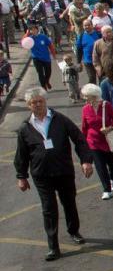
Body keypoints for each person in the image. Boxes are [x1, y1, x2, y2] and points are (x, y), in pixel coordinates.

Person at [14, 89, 94, 260]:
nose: (37, 104)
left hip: (63, 171)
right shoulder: (25, 127)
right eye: (33, 102)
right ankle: (53, 247)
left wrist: (86, 160)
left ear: (45, 101)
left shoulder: (60, 120)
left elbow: (79, 139)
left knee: (69, 202)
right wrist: (21, 176)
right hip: (42, 175)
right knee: (49, 209)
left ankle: (74, 231)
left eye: (40, 101)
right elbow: (21, 154)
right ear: (29, 105)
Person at [79, 83, 113, 200]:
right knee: (100, 166)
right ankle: (106, 189)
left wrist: (109, 128)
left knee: (111, 164)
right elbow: (84, 127)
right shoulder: (85, 109)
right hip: (93, 142)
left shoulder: (106, 106)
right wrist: (84, 142)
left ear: (94, 96)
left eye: (87, 96)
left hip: (108, 141)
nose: (85, 98)